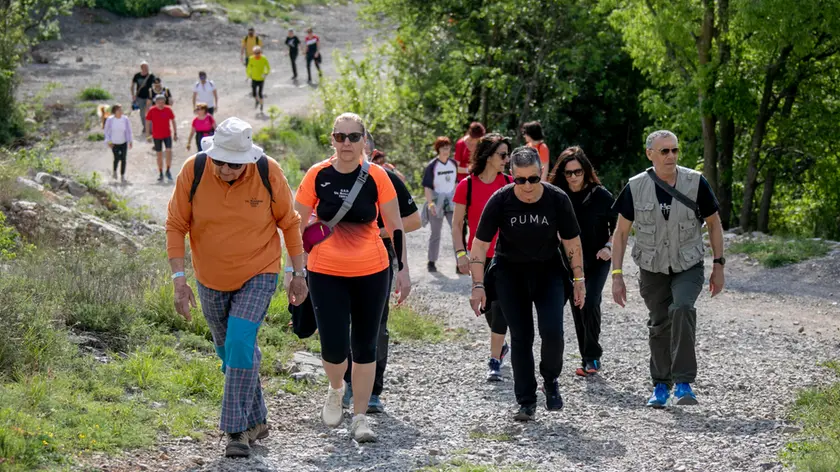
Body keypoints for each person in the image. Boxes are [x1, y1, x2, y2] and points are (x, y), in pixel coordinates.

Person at [166, 117, 308, 458]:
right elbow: (175, 224)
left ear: (247, 159)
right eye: (220, 161)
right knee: (230, 352)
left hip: (259, 271)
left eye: (234, 164)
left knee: (240, 341)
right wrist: (179, 279)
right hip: (210, 278)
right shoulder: (193, 170)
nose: (226, 169)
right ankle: (257, 420)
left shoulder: (267, 171)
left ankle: (236, 431)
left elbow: (290, 223)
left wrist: (298, 272)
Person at [293, 113, 411, 442]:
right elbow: (295, 225)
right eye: (340, 136)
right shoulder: (317, 174)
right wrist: (295, 271)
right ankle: (335, 388)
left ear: (364, 140)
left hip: (372, 272)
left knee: (365, 346)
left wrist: (403, 269)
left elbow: (395, 225)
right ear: (332, 139)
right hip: (325, 272)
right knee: (333, 349)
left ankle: (360, 418)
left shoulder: (378, 176)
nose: (346, 143)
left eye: (354, 137)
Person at [610, 130, 725, 408]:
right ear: (650, 154)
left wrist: (718, 265)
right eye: (664, 151)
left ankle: (683, 383)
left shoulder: (695, 182)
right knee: (660, 322)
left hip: (688, 264)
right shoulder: (636, 186)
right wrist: (617, 276)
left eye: (674, 150)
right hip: (652, 267)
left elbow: (713, 224)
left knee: (682, 308)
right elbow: (621, 233)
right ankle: (661, 385)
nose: (671, 156)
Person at [469, 146, 585, 422]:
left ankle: (550, 379)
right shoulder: (501, 200)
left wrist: (579, 279)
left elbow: (572, 241)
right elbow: (480, 244)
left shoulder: (557, 199)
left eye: (533, 178)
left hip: (548, 272)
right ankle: (526, 401)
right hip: (510, 274)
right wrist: (478, 285)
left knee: (553, 332)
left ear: (541, 173)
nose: (528, 186)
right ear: (512, 176)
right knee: (522, 337)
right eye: (520, 180)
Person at [341, 132, 421, 414]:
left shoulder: (386, 178)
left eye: (358, 145)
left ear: (371, 151)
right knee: (342, 321)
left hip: (379, 259)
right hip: (337, 261)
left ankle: (372, 390)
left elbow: (413, 220)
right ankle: (345, 383)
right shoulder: (329, 175)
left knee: (375, 324)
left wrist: (377, 232)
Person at [548, 146, 617, 377]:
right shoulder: (556, 195)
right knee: (577, 305)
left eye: (577, 172)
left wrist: (609, 246)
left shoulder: (601, 195)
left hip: (597, 259)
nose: (573, 177)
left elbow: (620, 225)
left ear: (585, 171)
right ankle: (586, 356)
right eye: (568, 173)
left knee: (591, 301)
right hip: (568, 260)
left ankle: (592, 355)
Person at [451, 133, 512, 381]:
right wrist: (460, 254)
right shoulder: (466, 186)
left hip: (506, 257)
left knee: (501, 307)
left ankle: (494, 359)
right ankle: (501, 346)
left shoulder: (510, 183)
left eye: (508, 155)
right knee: (487, 306)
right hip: (478, 257)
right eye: (503, 155)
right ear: (488, 156)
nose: (507, 160)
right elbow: (457, 225)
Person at [422, 136, 458, 273]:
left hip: (451, 201)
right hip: (437, 201)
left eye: (448, 148)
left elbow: (456, 182)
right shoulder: (432, 166)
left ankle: (460, 262)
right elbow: (427, 187)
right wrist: (430, 204)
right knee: (435, 233)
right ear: (438, 149)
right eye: (443, 148)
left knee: (456, 232)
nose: (446, 151)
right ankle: (431, 262)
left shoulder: (453, 164)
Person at [145, 94, 177, 182]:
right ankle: (161, 172)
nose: (161, 104)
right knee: (159, 155)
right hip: (156, 136)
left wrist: (175, 133)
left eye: (162, 102)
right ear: (155, 102)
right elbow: (147, 122)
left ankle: (168, 170)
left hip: (167, 135)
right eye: (159, 102)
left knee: (168, 152)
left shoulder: (168, 109)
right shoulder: (152, 110)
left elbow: (173, 121)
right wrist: (147, 134)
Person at [103, 103, 133, 183]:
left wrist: (130, 141)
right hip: (114, 143)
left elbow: (129, 130)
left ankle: (122, 176)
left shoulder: (125, 119)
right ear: (114, 111)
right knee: (116, 158)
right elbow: (106, 131)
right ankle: (114, 171)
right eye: (118, 110)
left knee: (123, 159)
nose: (120, 111)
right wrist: (109, 141)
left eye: (121, 110)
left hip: (123, 142)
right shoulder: (110, 120)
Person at [130, 61, 155, 135]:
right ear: (142, 68)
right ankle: (145, 127)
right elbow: (132, 85)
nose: (147, 68)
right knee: (142, 113)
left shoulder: (151, 76)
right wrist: (133, 95)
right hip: (140, 97)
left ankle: (150, 128)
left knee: (149, 112)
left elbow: (155, 84)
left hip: (149, 97)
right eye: (145, 67)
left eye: (147, 67)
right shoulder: (137, 76)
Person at [246, 46, 270, 113]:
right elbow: (248, 67)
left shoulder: (263, 58)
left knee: (260, 93)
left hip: (261, 79)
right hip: (254, 78)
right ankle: (257, 100)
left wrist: (265, 73)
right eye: (255, 53)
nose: (257, 54)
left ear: (260, 52)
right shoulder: (251, 58)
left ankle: (261, 105)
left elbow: (268, 67)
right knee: (254, 93)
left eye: (258, 53)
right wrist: (248, 75)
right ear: (253, 53)